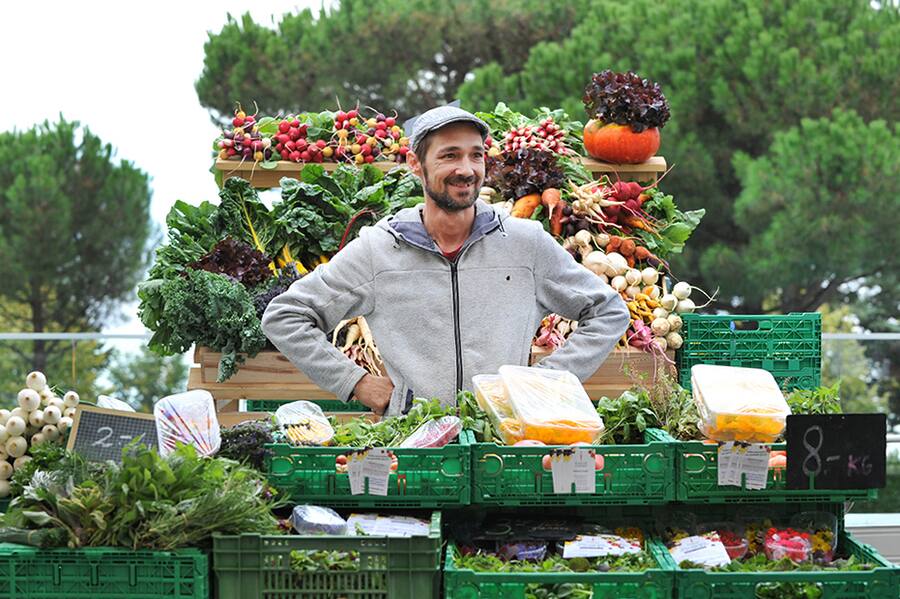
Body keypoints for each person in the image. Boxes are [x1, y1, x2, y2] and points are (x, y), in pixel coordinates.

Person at [262, 105, 630, 416]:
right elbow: (285, 316)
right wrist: (354, 382)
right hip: (415, 444)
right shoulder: (378, 251)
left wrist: (544, 382)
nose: (466, 169)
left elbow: (609, 310)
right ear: (415, 164)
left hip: (507, 440)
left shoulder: (524, 243)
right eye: (449, 155)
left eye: (475, 154)